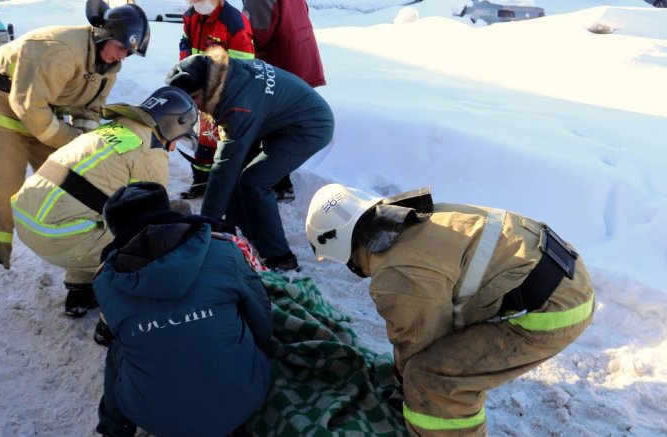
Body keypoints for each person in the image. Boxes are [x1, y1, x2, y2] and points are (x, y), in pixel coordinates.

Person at [305, 184, 595, 436]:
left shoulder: (395, 274)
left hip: (557, 308)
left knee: (432, 379)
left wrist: (406, 379)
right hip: (565, 271)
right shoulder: (409, 219)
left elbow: (419, 344)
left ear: (339, 244)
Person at [0, 0, 150, 289]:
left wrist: (84, 144)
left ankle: (81, 271)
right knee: (0, 185)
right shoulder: (60, 52)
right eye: (121, 48)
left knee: (76, 184)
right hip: (4, 111)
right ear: (104, 36)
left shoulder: (107, 65)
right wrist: (68, 140)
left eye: (129, 52)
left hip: (44, 116)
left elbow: (90, 109)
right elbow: (27, 106)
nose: (123, 57)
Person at [93, 181, 272, 437]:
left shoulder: (105, 282)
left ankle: (114, 428)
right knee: (237, 311)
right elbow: (262, 321)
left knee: (119, 348)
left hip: (157, 420)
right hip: (247, 395)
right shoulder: (223, 249)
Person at [11, 87, 199, 317]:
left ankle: (80, 291)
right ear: (172, 125)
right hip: (57, 236)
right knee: (147, 241)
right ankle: (111, 320)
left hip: (27, 218)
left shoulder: (115, 128)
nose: (173, 148)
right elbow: (149, 224)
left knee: (96, 209)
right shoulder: (149, 151)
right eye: (179, 139)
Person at [167, 48, 334, 272]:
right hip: (280, 119)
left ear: (207, 87)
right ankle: (239, 233)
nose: (195, 106)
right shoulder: (223, 74)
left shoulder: (236, 103)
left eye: (195, 98)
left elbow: (224, 167)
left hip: (309, 126)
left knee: (254, 181)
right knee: (239, 174)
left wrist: (205, 226)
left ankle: (280, 257)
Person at [239, 0, 326, 201]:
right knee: (288, 122)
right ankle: (280, 181)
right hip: (302, 58)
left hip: (279, 65)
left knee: (271, 123)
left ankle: (273, 182)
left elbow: (258, 35)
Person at [178, 0, 254, 200]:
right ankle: (201, 182)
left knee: (226, 141)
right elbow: (185, 44)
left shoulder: (232, 21)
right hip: (202, 90)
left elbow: (244, 63)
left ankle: (228, 186)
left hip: (227, 92)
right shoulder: (192, 16)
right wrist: (187, 73)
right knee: (205, 139)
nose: (197, 4)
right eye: (193, 1)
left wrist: (223, 91)